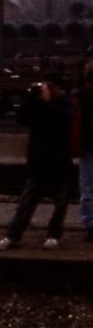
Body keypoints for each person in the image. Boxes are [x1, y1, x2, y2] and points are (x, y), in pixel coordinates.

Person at [0, 73, 76, 250]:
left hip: (58, 160)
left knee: (59, 202)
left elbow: (64, 120)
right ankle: (13, 235)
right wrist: (32, 97)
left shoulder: (65, 104)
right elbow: (22, 118)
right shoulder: (38, 104)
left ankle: (53, 235)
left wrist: (48, 102)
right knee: (28, 201)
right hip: (40, 161)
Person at [77, 60, 93, 244]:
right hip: (88, 144)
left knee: (87, 187)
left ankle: (90, 224)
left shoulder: (81, 96)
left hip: (87, 145)